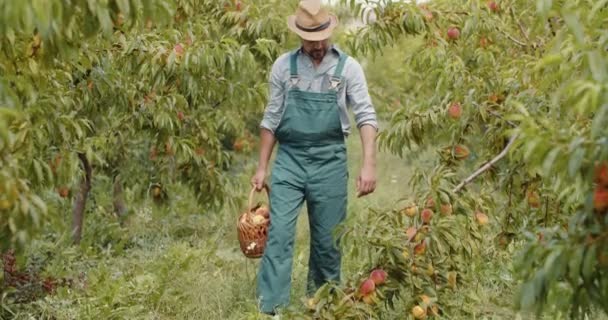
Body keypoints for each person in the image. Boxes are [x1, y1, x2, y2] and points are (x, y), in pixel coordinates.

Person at [250, 0, 378, 315]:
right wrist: (262, 167)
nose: (318, 44)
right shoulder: (283, 66)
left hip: (330, 161)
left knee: (327, 241)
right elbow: (271, 118)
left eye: (322, 36)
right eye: (310, 38)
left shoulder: (348, 68)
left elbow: (366, 116)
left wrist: (369, 164)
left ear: (329, 31)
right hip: (289, 160)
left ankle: (321, 304)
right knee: (278, 234)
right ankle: (271, 308)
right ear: (300, 35)